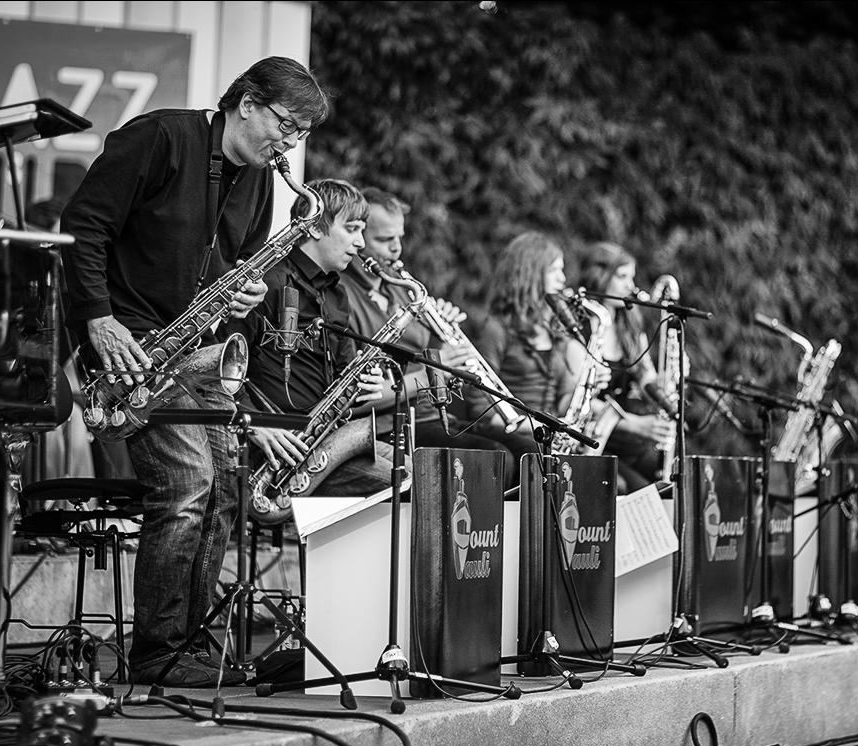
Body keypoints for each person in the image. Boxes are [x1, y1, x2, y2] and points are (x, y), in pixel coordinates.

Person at [60, 56, 330, 687]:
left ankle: (188, 643)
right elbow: (83, 227)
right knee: (185, 484)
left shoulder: (260, 182)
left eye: (300, 136)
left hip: (193, 356)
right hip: (129, 350)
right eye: (287, 127)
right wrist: (98, 320)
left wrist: (241, 295)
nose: (290, 145)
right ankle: (156, 651)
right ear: (248, 103)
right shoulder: (159, 137)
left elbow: (232, 268)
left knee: (216, 496)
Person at [221, 178, 394, 504]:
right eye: (352, 229)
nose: (360, 243)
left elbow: (342, 377)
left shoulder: (337, 294)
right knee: (407, 484)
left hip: (321, 440)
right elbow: (224, 364)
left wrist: (361, 387)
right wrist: (255, 423)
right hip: (274, 448)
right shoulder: (267, 282)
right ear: (314, 228)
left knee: (426, 476)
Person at [338, 187, 523, 485]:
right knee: (495, 458)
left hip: (430, 416)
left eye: (399, 237)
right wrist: (435, 372)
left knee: (527, 451)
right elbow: (360, 396)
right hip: (388, 426)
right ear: (358, 239)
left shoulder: (401, 287)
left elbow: (423, 353)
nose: (397, 249)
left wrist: (442, 332)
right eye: (385, 240)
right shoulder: (343, 296)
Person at [468, 231, 604, 458]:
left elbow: (563, 403)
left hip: (547, 434)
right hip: (509, 434)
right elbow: (479, 410)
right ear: (529, 275)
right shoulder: (496, 329)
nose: (562, 279)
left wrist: (588, 386)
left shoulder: (555, 331)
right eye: (553, 270)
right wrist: (551, 427)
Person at [573, 242, 675, 492]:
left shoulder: (630, 325)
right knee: (640, 490)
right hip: (593, 435)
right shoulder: (579, 327)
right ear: (599, 277)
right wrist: (635, 424)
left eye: (632, 277)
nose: (631, 286)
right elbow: (575, 396)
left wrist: (667, 393)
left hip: (628, 436)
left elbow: (645, 376)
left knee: (675, 483)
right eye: (622, 277)